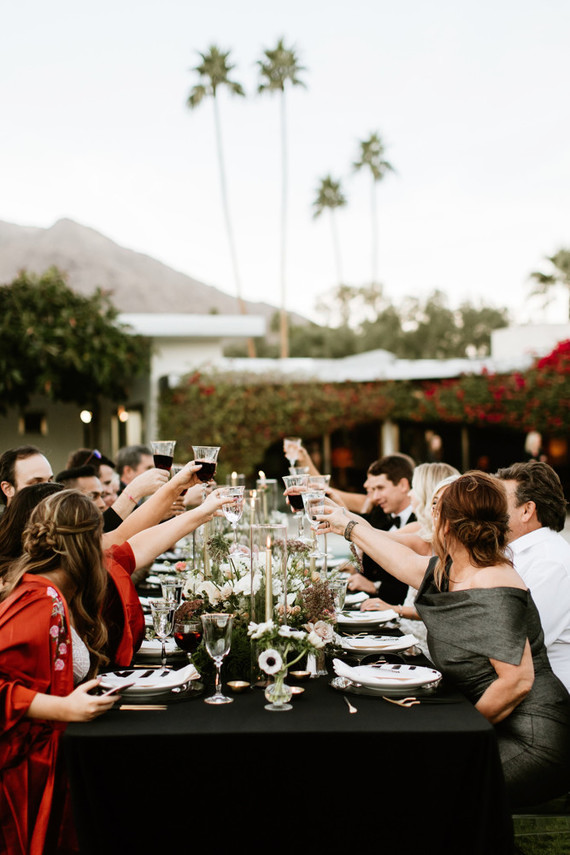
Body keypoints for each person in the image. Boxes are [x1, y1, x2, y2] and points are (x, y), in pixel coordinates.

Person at [318, 471, 570, 808]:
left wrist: (459, 732)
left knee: (420, 788)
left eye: (435, 513)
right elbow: (403, 561)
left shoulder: (496, 582)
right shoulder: (455, 570)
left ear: (445, 526)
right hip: (494, 722)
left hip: (532, 739)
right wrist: (345, 525)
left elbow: (517, 681)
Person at [0, 490, 118, 855]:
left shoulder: (53, 592)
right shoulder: (39, 600)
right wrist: (62, 709)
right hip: (24, 775)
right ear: (85, 543)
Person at [496, 460, 570, 692]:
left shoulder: (551, 563)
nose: (490, 509)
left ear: (527, 510)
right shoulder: (513, 552)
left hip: (545, 698)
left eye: (498, 502)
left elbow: (517, 644)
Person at [346, 454, 416, 603]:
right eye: (373, 489)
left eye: (380, 488)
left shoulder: (420, 521)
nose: (375, 497)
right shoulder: (380, 514)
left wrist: (375, 586)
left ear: (403, 485)